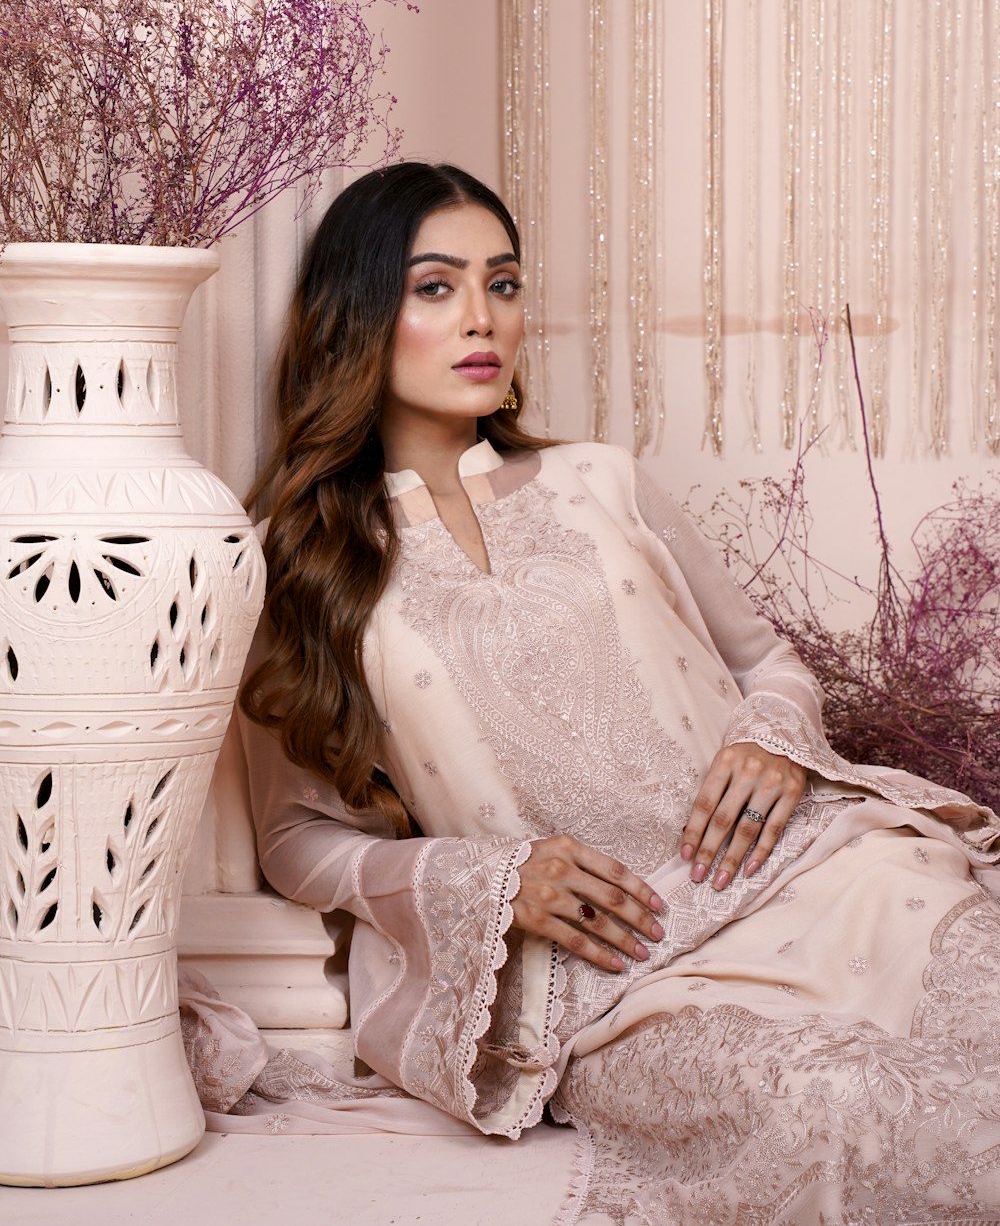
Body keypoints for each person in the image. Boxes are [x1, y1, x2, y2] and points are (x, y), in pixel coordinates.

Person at [186, 161, 1000, 1224]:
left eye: (504, 283)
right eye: (435, 287)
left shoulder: (599, 480)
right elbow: (297, 838)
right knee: (836, 1106)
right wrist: (487, 878)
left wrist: (769, 738)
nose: (482, 317)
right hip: (618, 978)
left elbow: (768, 664)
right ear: (358, 315)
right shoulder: (293, 565)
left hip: (824, 872)